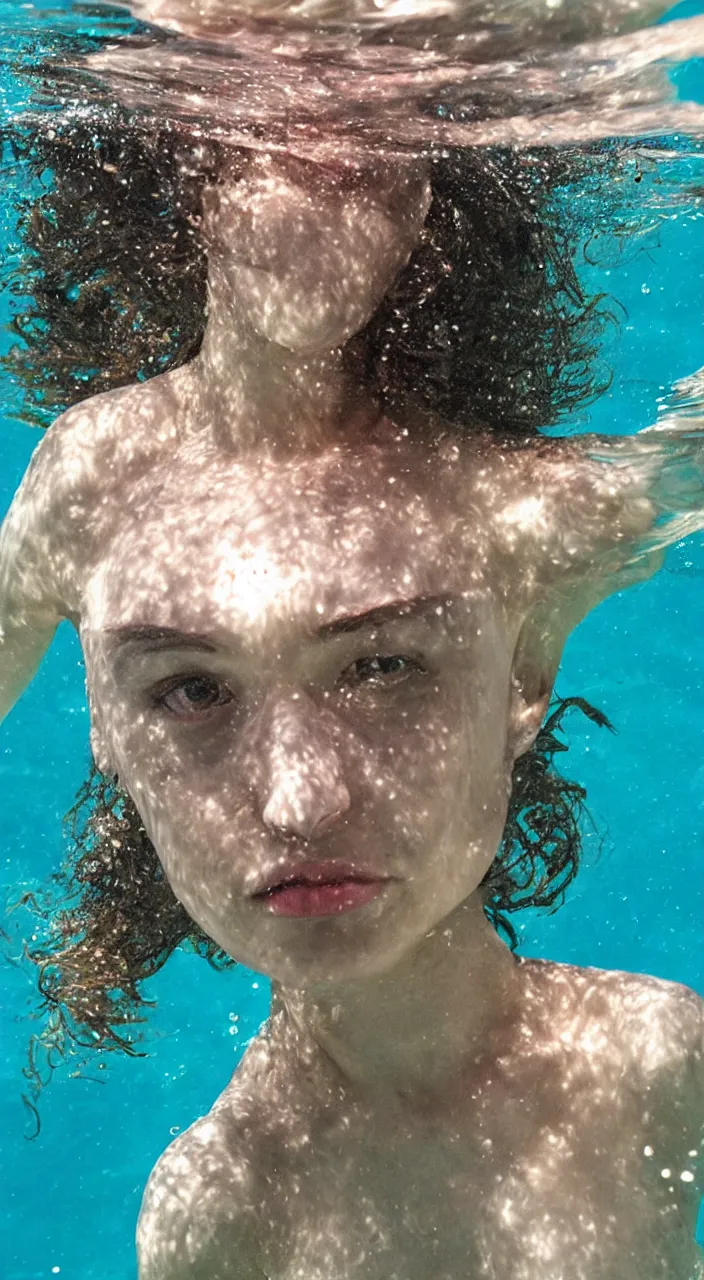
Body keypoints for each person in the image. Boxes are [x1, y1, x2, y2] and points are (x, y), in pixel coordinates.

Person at [2, 114, 704, 1279]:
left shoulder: (658, 1064)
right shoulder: (218, 1217)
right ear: (103, 729)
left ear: (526, 673)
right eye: (186, 689)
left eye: (383, 664)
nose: (298, 800)